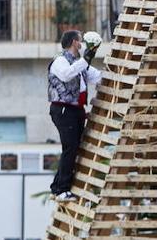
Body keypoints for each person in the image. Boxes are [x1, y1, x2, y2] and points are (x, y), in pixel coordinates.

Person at [48, 29, 102, 201]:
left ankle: (57, 187)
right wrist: (86, 59)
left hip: (77, 110)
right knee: (70, 148)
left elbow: (98, 77)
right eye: (80, 41)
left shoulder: (80, 63)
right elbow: (66, 75)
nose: (83, 45)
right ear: (73, 43)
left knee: (73, 148)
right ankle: (61, 189)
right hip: (64, 110)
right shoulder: (60, 60)